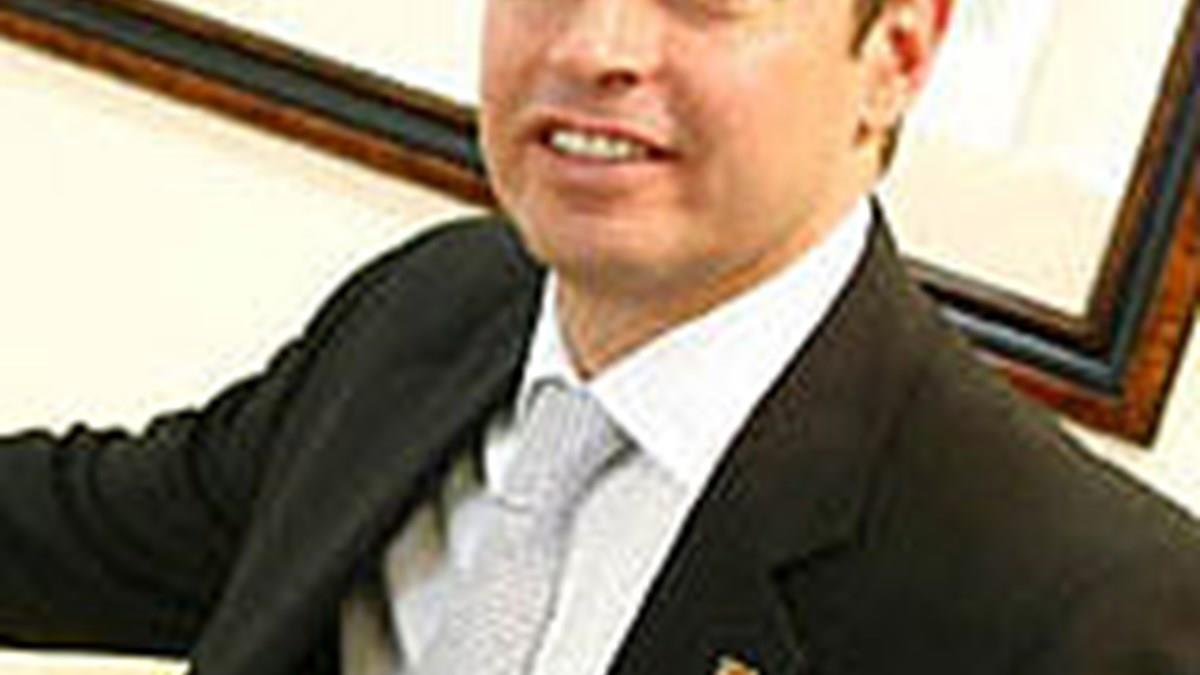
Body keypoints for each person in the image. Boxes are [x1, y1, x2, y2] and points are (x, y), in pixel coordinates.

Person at [2, 0, 1199, 673]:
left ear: (897, 55)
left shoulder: (1095, 612)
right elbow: (84, 533)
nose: (594, 47)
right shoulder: (436, 306)